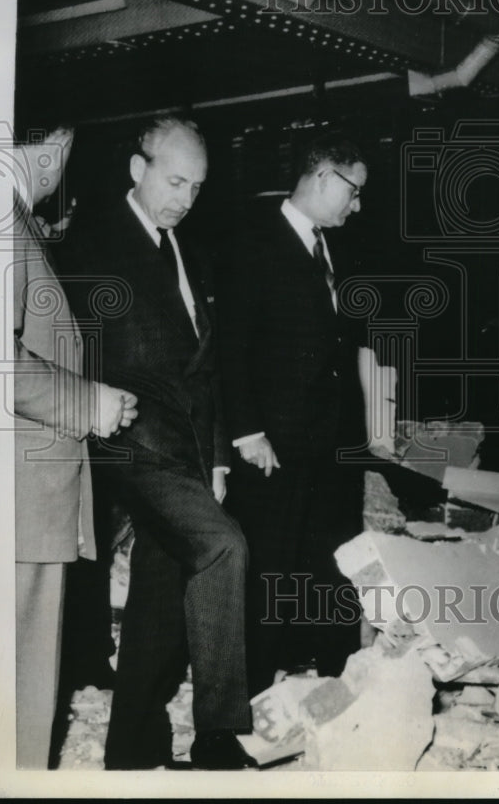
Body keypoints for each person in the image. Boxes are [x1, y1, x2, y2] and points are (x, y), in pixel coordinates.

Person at [61, 117, 254, 770]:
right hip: (129, 442)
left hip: (188, 450)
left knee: (162, 586)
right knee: (223, 544)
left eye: (196, 188)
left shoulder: (188, 252)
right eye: (175, 182)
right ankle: (220, 734)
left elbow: (209, 368)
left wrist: (220, 456)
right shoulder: (88, 245)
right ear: (138, 169)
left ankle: (131, 751)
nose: (184, 198)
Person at [221, 133, 370, 698]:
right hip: (275, 443)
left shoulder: (332, 247)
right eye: (353, 191)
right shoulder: (254, 241)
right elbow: (231, 347)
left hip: (330, 444)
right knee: (270, 563)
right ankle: (254, 687)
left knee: (333, 558)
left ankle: (336, 675)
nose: (357, 206)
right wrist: (247, 430)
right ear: (324, 177)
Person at [11, 123, 137, 768]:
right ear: (51, 148)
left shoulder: (17, 221)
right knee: (19, 695)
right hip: (17, 503)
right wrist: (90, 401)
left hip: (19, 496)